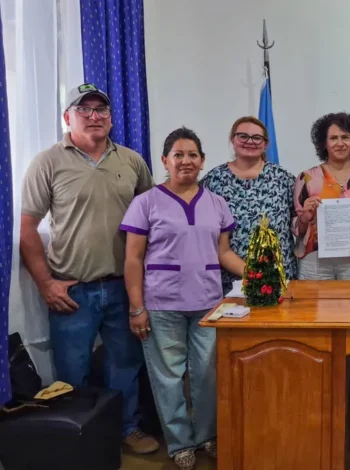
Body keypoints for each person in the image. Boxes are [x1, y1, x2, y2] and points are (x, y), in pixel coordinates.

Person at [19, 83, 159, 454]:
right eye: (84, 109)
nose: (94, 116)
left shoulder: (132, 161)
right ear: (68, 117)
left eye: (101, 110)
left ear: (111, 118)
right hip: (71, 291)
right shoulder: (47, 162)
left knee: (125, 366)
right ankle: (78, 441)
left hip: (123, 287)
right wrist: (46, 284)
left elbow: (152, 221)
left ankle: (128, 428)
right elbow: (28, 228)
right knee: (72, 372)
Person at [120, 127, 245, 470]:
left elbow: (224, 253)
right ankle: (180, 443)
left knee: (207, 375)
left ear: (202, 161)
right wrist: (136, 307)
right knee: (168, 378)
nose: (186, 161)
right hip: (162, 304)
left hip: (208, 303)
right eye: (178, 155)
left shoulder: (216, 203)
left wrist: (260, 275)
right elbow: (133, 259)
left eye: (192, 155)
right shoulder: (145, 203)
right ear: (165, 160)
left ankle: (206, 435)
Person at [293, 112, 350, 418]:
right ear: (323, 142)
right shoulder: (307, 178)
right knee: (316, 333)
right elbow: (296, 228)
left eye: (345, 137)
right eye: (333, 138)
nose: (339, 143)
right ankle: (316, 403)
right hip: (316, 263)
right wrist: (305, 216)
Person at [200, 116, 296, 292]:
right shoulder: (213, 181)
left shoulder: (283, 178)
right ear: (233, 140)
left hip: (278, 278)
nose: (250, 142)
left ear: (265, 144)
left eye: (257, 137)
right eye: (243, 136)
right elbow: (205, 232)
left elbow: (297, 223)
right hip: (232, 282)